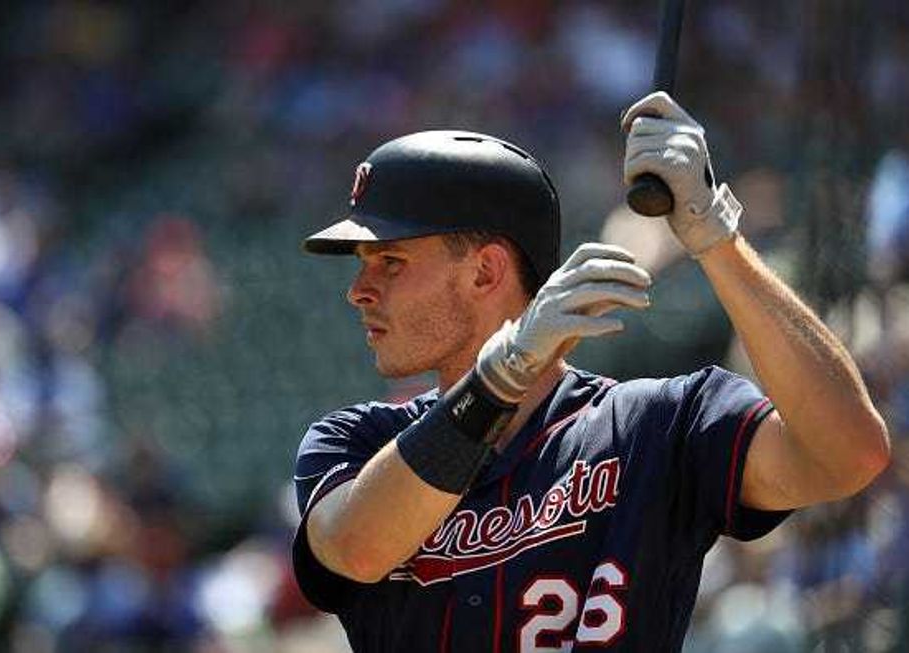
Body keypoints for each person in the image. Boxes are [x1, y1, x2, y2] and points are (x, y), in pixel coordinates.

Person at [291, 92, 890, 652]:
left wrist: (715, 234)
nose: (358, 290)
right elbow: (357, 548)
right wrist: (502, 374)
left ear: (485, 272)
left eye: (390, 261)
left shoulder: (652, 425)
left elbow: (847, 455)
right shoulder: (356, 440)